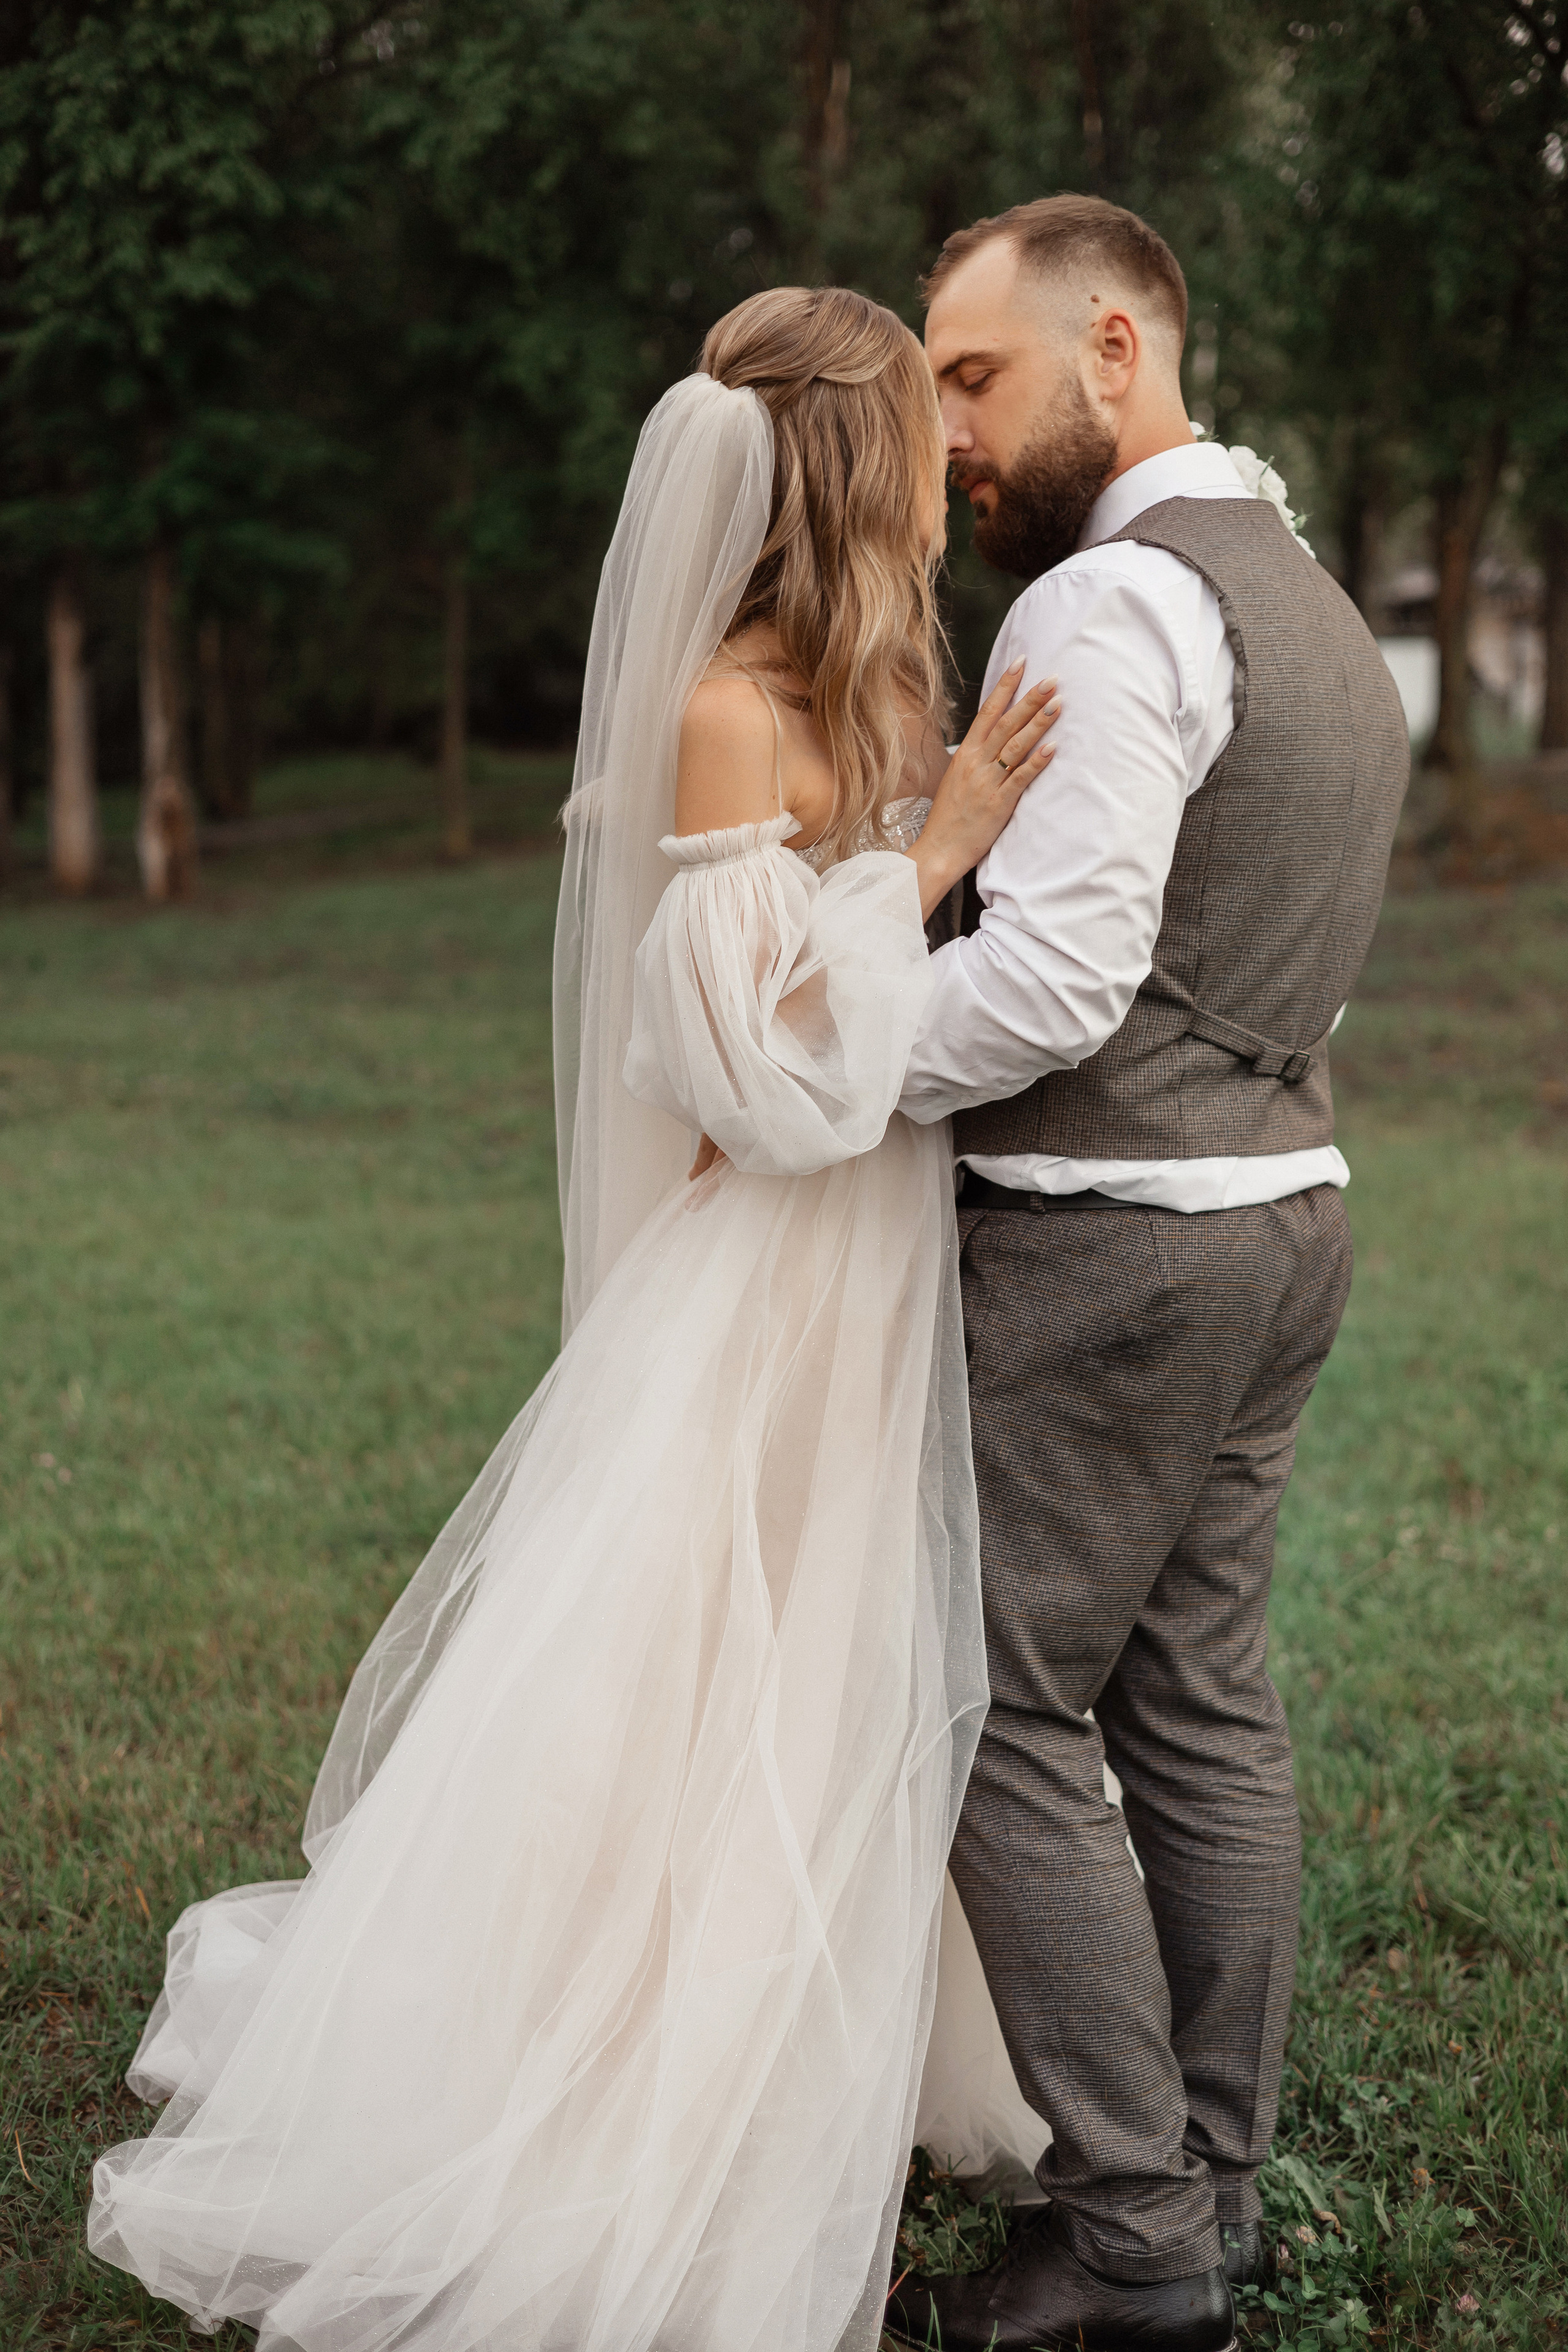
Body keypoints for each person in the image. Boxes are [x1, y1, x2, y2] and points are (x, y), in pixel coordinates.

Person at [86, 287, 1060, 2352]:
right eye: (912, 421)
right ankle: (641, 2109)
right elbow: (756, 1082)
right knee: (713, 1695)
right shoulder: (724, 710)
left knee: (848, 1666)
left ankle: (823, 2071)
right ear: (840, 460)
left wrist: (944, 827)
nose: (937, 461)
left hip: (882, 1260)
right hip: (770, 1275)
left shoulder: (875, 680)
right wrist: (939, 852)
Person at [884, 197, 1409, 2352]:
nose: (947, 439)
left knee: (994, 1704)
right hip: (1283, 1218)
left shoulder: (1110, 609)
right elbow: (1257, 952)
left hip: (1116, 1249)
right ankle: (1222, 2188)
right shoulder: (1312, 613)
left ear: (1116, 347)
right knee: (1196, 1705)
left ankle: (1134, 2245)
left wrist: (816, 1056)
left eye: (974, 380)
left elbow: (1059, 979)